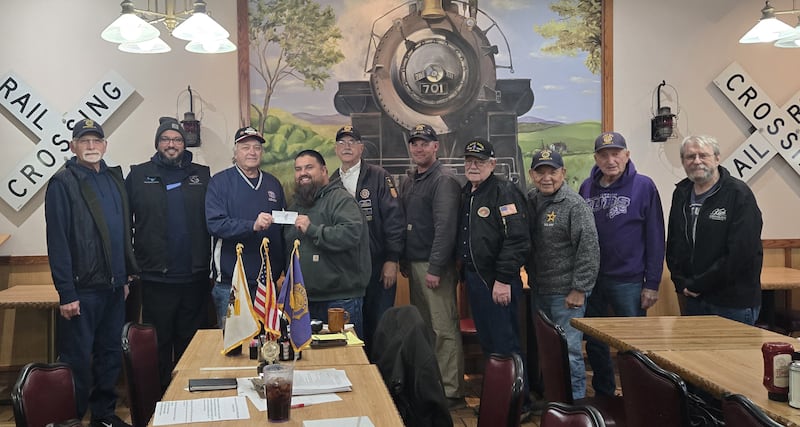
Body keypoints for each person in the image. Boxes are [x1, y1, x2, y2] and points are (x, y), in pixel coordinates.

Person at [45, 119, 138, 427]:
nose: (90, 147)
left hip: (113, 287)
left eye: (96, 141)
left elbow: (122, 231)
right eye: (84, 141)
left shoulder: (113, 179)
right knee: (77, 360)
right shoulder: (63, 182)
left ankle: (104, 415)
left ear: (105, 146)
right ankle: (71, 419)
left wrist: (124, 277)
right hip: (81, 290)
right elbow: (57, 239)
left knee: (110, 354)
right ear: (73, 146)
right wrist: (66, 293)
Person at [126, 117, 211, 391]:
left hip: (195, 278)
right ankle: (159, 402)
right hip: (155, 279)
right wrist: (128, 267)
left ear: (184, 144)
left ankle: (190, 396)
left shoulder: (203, 174)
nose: (171, 144)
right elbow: (124, 224)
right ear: (157, 143)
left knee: (192, 345)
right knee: (158, 346)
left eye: (176, 139)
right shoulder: (138, 175)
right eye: (166, 139)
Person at [578, 131, 665, 397]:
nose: (610, 160)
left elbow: (656, 236)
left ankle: (638, 393)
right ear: (596, 158)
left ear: (627, 155)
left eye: (616, 153)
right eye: (604, 155)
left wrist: (651, 283)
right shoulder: (586, 188)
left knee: (633, 342)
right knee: (595, 340)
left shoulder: (644, 186)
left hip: (628, 279)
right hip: (592, 279)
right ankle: (605, 392)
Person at [457, 138, 534, 415]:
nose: (473, 166)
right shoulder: (468, 192)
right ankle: (498, 402)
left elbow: (517, 240)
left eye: (479, 161)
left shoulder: (504, 191)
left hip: (498, 282)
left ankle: (519, 404)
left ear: (493, 164)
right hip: (476, 281)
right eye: (469, 161)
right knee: (490, 345)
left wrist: (503, 279)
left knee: (506, 344)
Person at [399, 123, 465, 409]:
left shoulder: (444, 179)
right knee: (426, 329)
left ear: (436, 146)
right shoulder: (412, 179)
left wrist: (436, 268)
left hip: (433, 266)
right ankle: (431, 385)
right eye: (415, 143)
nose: (419, 148)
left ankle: (450, 391)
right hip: (414, 263)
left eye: (424, 143)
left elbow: (446, 228)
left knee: (443, 328)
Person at [666, 135, 763, 325]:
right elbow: (674, 242)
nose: (696, 161)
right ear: (683, 162)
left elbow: (741, 253)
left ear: (717, 158)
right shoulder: (681, 193)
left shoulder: (738, 194)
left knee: (733, 356)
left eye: (703, 155)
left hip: (732, 301)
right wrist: (680, 282)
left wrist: (700, 284)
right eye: (690, 157)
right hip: (693, 298)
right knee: (694, 355)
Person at [526, 149, 599, 401]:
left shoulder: (574, 205)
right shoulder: (531, 200)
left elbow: (589, 249)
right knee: (548, 350)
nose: (547, 177)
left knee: (569, 351)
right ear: (531, 174)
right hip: (540, 290)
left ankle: (574, 403)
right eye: (540, 171)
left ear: (563, 173)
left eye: (552, 171)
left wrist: (580, 289)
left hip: (567, 295)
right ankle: (555, 400)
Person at [329, 125, 404, 353]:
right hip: (346, 269)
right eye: (342, 142)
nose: (347, 146)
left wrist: (392, 259)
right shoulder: (332, 181)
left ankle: (381, 379)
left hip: (378, 265)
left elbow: (395, 219)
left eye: (353, 142)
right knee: (352, 327)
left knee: (379, 325)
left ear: (361, 148)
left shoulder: (379, 176)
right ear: (335, 149)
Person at [284, 149, 371, 339]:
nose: (302, 173)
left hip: (340, 301)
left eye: (309, 167)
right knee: (311, 360)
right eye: (298, 169)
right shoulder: (295, 206)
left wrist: (313, 230)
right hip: (304, 300)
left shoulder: (340, 199)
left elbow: (351, 234)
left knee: (346, 357)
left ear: (324, 171)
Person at [206, 126, 286, 328]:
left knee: (268, 346)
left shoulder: (273, 184)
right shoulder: (219, 182)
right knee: (234, 348)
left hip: (267, 284)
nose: (252, 152)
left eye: (257, 147)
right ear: (235, 152)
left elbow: (281, 229)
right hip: (231, 285)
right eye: (245, 147)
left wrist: (283, 271)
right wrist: (253, 225)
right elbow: (215, 224)